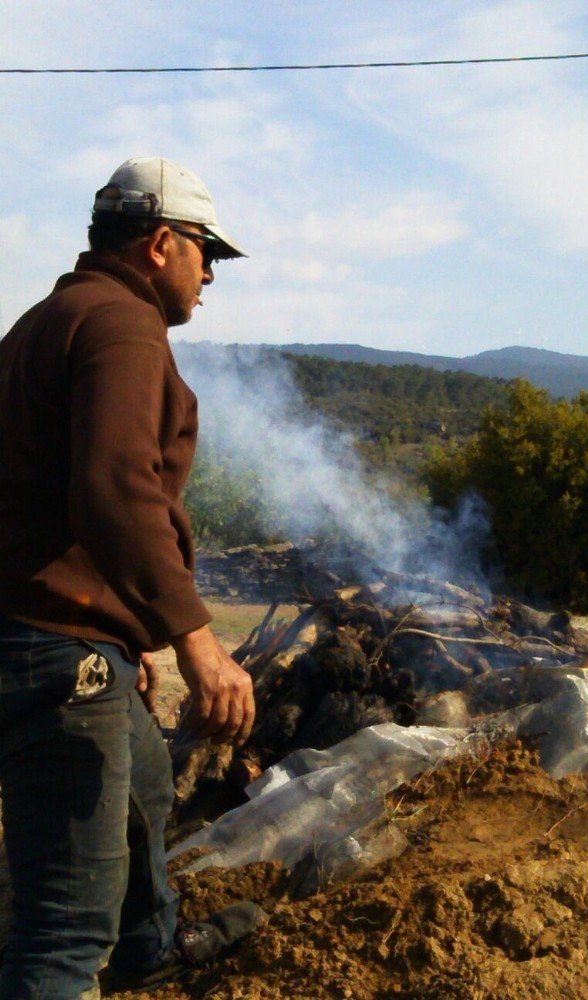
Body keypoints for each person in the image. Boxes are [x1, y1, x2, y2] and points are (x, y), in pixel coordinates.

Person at [0, 157, 259, 999]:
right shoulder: (123, 326)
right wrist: (196, 642)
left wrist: (117, 628)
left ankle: (147, 946)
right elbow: (114, 490)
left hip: (44, 630)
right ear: (159, 243)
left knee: (147, 769)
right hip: (46, 650)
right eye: (205, 249)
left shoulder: (47, 319)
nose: (211, 271)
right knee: (64, 930)